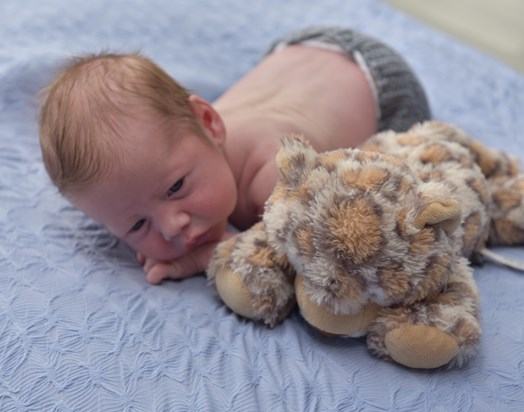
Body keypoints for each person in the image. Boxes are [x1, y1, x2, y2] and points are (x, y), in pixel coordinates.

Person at [38, 26, 431, 284]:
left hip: (383, 88)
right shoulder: (175, 154)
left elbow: (313, 256)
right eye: (137, 226)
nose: (172, 226)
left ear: (209, 122)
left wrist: (209, 256)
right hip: (296, 62)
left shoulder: (273, 173)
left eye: (175, 187)